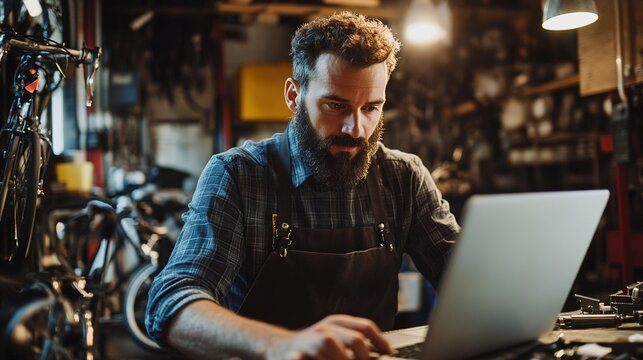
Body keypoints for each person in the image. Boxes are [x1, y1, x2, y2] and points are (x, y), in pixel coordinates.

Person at [145, 11, 460, 360]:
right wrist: (279, 344)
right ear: (294, 96)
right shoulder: (238, 176)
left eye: (371, 108)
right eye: (335, 105)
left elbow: (466, 277)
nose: (356, 128)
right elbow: (171, 303)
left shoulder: (404, 177)